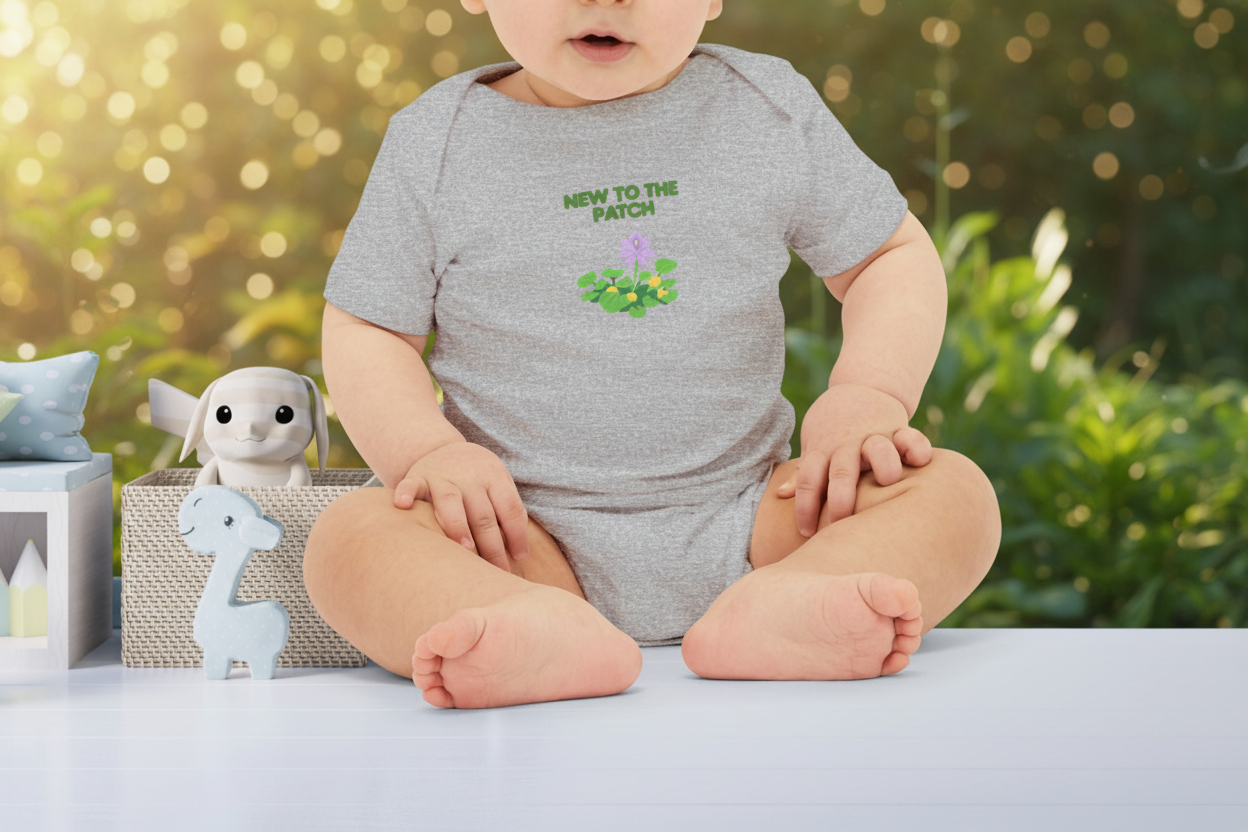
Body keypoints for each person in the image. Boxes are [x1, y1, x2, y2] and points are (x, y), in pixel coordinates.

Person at [303, 0, 1002, 709]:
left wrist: (869, 394)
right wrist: (427, 454)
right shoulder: (436, 143)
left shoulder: (763, 108)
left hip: (755, 517)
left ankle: (791, 602)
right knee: (348, 539)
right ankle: (534, 626)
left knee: (953, 494)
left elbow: (889, 255)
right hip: (514, 535)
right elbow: (369, 327)